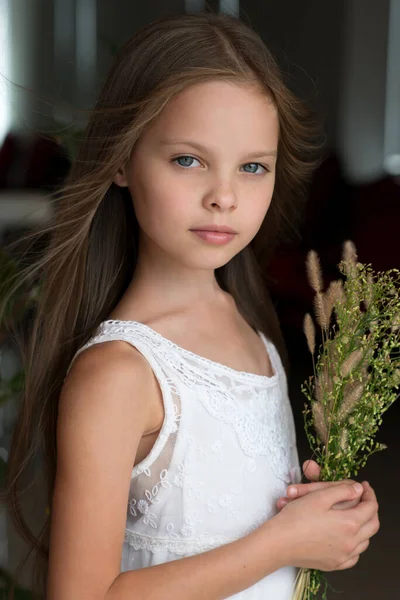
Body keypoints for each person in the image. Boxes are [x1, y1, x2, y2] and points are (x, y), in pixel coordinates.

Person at [3, 12, 380, 600]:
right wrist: (282, 543)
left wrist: (329, 517)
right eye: (188, 160)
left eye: (253, 167)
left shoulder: (248, 328)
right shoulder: (119, 374)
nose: (224, 196)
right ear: (123, 161)